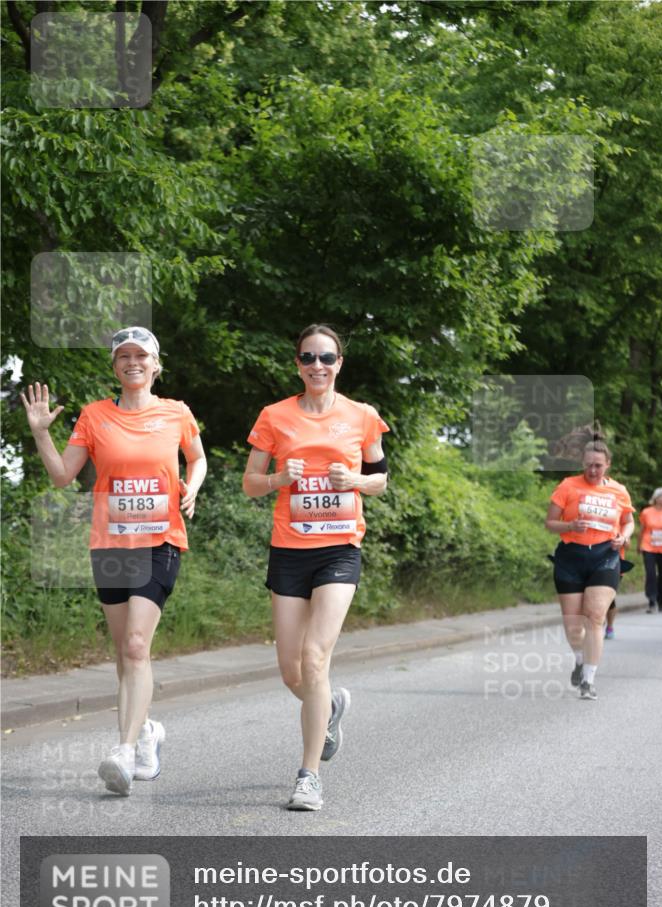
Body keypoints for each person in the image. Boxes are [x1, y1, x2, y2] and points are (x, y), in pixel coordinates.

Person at [21, 326, 207, 795]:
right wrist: (41, 434)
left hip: (160, 541)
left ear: (155, 365)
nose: (133, 362)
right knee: (125, 650)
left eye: (141, 355)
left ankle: (123, 750)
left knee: (137, 645)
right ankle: (146, 732)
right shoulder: (95, 415)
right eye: (124, 356)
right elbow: (62, 476)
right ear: (115, 366)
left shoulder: (176, 412)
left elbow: (198, 458)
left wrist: (193, 487)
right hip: (110, 544)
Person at [243, 324, 389, 810]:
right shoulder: (275, 416)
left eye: (327, 357)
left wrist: (356, 481)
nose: (318, 366)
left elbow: (381, 479)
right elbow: (249, 482)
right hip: (289, 550)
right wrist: (278, 478)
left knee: (314, 657)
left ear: (339, 363)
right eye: (309, 357)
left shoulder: (362, 415)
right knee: (291, 671)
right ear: (298, 364)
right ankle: (330, 706)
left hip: (339, 549)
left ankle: (308, 777)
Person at [545, 440, 634, 700]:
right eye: (588, 465)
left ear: (608, 465)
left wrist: (624, 537)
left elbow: (628, 521)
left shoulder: (619, 491)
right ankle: (579, 659)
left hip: (605, 556)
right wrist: (570, 525)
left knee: (595, 616)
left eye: (598, 465)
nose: (593, 470)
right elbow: (550, 523)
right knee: (573, 625)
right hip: (571, 557)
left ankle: (588, 681)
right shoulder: (568, 486)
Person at [638, 487, 662, 613]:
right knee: (650, 574)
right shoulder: (646, 512)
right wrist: (638, 545)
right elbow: (642, 530)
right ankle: (652, 601)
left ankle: (661, 601)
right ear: (656, 498)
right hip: (648, 546)